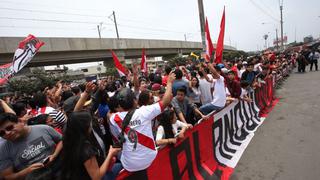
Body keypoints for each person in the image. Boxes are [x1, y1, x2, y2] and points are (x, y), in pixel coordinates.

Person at [109, 72, 175, 172]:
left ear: (120, 106)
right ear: (135, 101)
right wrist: (169, 83)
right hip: (150, 158)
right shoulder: (145, 112)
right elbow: (165, 101)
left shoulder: (114, 118)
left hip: (129, 164)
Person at [0, 113, 63, 179]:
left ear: (20, 121)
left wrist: (55, 154)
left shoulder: (44, 128)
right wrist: (27, 171)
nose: (7, 133)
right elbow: (7, 177)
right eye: (2, 133)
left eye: (9, 128)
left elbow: (62, 140)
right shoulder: (3, 149)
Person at [61, 111, 121, 180]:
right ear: (84, 127)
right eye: (90, 123)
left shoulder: (69, 140)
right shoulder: (86, 150)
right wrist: (111, 154)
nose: (91, 125)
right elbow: (96, 177)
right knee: (121, 166)